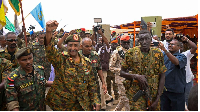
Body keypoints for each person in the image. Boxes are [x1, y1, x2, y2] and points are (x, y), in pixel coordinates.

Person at [45, 20, 100, 111]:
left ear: (80, 47)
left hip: (81, 105)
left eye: (75, 45)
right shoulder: (61, 59)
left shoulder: (87, 63)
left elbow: (92, 85)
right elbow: (49, 49)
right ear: (66, 46)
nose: (73, 48)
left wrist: (96, 100)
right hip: (62, 105)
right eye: (70, 45)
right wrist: (48, 31)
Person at [120, 30, 167, 111]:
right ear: (138, 40)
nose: (144, 42)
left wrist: (158, 98)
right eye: (142, 39)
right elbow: (122, 72)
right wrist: (136, 76)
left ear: (151, 39)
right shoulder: (131, 53)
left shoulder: (158, 53)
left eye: (147, 39)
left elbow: (162, 75)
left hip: (153, 94)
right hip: (136, 92)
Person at [159, 39, 187, 111]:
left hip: (176, 91)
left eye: (172, 44)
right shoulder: (163, 55)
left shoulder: (182, 57)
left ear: (179, 47)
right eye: (169, 44)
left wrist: (165, 50)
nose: (170, 45)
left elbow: (176, 62)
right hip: (165, 90)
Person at [79, 37, 107, 109]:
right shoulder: (77, 56)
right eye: (87, 46)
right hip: (81, 87)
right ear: (81, 46)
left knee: (96, 105)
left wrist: (103, 83)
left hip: (94, 87)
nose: (89, 48)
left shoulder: (95, 55)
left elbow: (99, 69)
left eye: (91, 46)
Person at [109, 35, 130, 111]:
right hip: (120, 79)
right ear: (121, 43)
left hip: (129, 78)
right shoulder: (117, 52)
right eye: (125, 42)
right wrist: (121, 70)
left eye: (128, 42)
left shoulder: (131, 51)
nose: (126, 44)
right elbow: (111, 67)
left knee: (123, 98)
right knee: (126, 99)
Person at [179, 36, 197, 108]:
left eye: (181, 46)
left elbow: (194, 47)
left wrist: (187, 40)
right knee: (178, 100)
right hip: (177, 82)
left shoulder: (186, 54)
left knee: (188, 99)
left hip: (187, 81)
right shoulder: (169, 55)